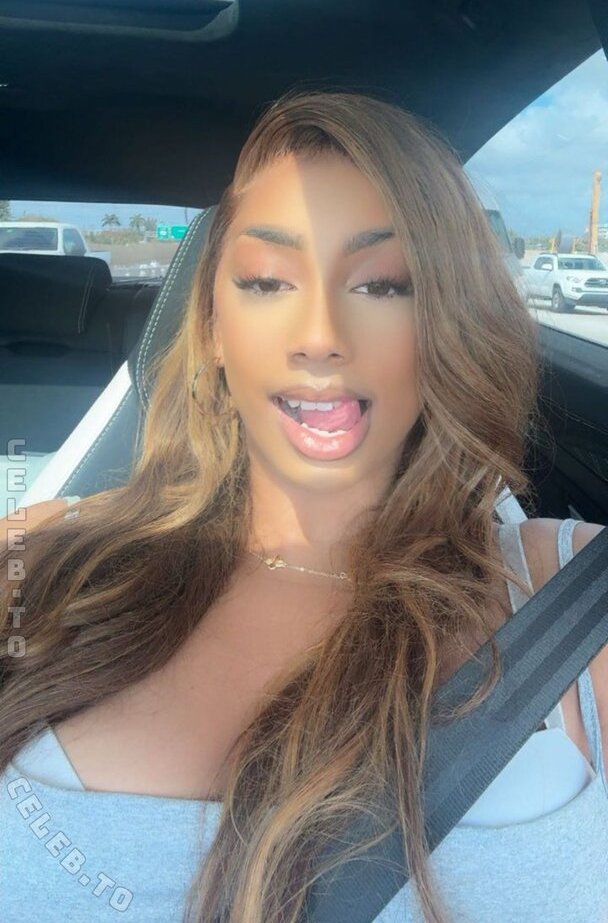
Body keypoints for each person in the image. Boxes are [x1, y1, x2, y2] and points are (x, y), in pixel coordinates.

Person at [0, 89, 606, 923]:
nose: (320, 336)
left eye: (384, 285)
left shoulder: (572, 595)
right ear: (213, 327)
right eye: (267, 280)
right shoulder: (33, 560)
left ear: (449, 323)